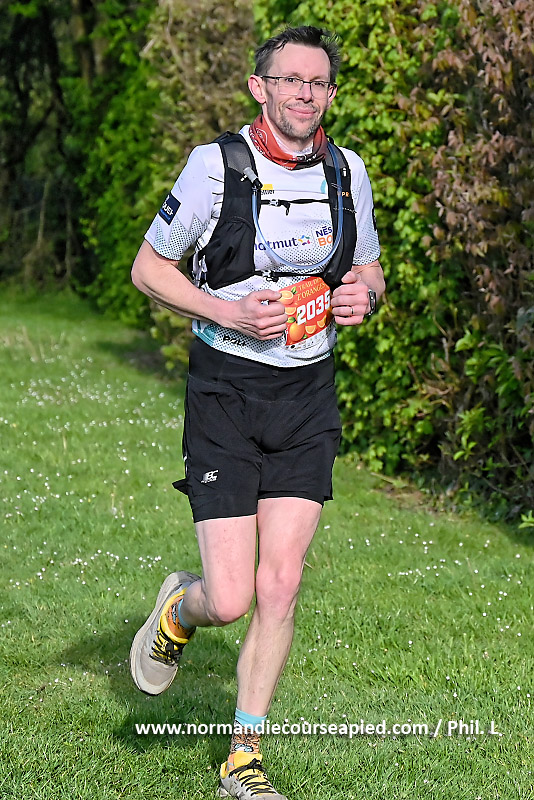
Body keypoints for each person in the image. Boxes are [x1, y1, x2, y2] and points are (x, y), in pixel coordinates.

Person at [129, 25, 385, 800]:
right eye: (291, 80)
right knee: (232, 597)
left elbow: (368, 270)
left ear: (330, 93)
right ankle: (181, 611)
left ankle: (243, 758)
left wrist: (362, 298)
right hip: (226, 394)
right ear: (260, 88)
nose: (306, 93)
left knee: (280, 586)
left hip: (308, 396)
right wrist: (226, 312)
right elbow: (149, 269)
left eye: (319, 82)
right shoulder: (215, 167)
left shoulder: (347, 171)